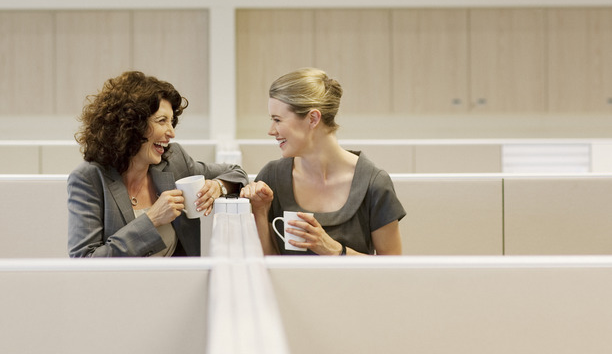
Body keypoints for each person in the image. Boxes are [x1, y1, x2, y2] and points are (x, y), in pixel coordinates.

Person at [67, 70, 248, 257]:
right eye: (162, 121)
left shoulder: (173, 160)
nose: (171, 133)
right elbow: (85, 260)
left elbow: (237, 173)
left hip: (179, 282)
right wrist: (151, 219)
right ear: (131, 125)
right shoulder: (89, 179)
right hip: (121, 286)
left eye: (172, 122)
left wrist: (219, 186)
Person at [240, 68, 405, 256]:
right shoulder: (272, 177)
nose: (271, 130)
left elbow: (392, 268)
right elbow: (268, 264)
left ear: (313, 118)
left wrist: (335, 250)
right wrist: (259, 212)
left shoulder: (373, 183)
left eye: (277, 120)